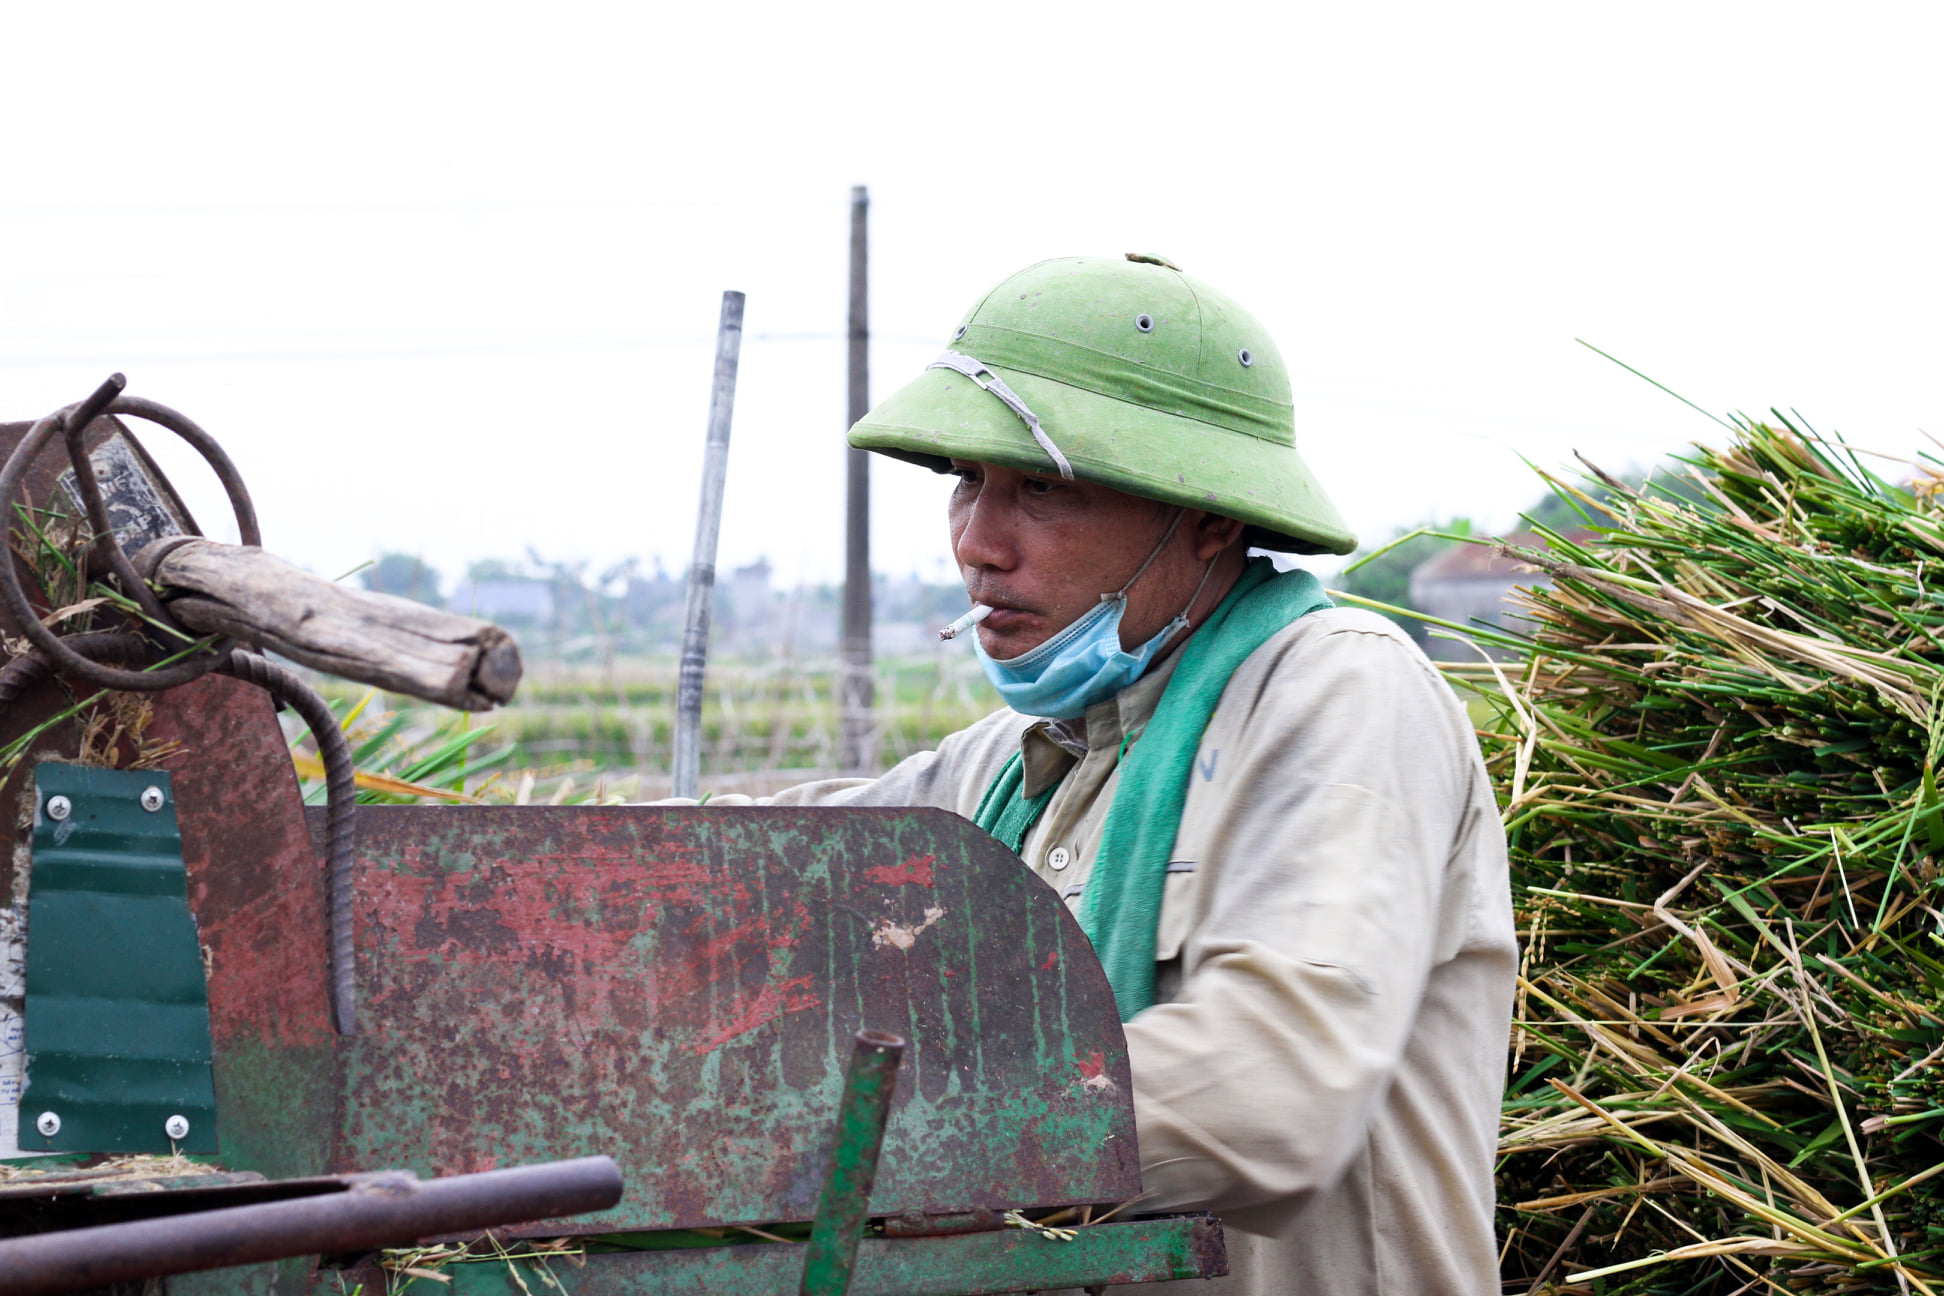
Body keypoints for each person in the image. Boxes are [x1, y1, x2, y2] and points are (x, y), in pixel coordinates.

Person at [712, 254, 1515, 1295]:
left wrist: (841, 1144)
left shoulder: (1340, 697)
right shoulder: (1017, 767)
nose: (978, 543)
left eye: (1040, 490)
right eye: (968, 482)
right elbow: (753, 858)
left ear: (1208, 519)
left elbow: (1271, 1085)